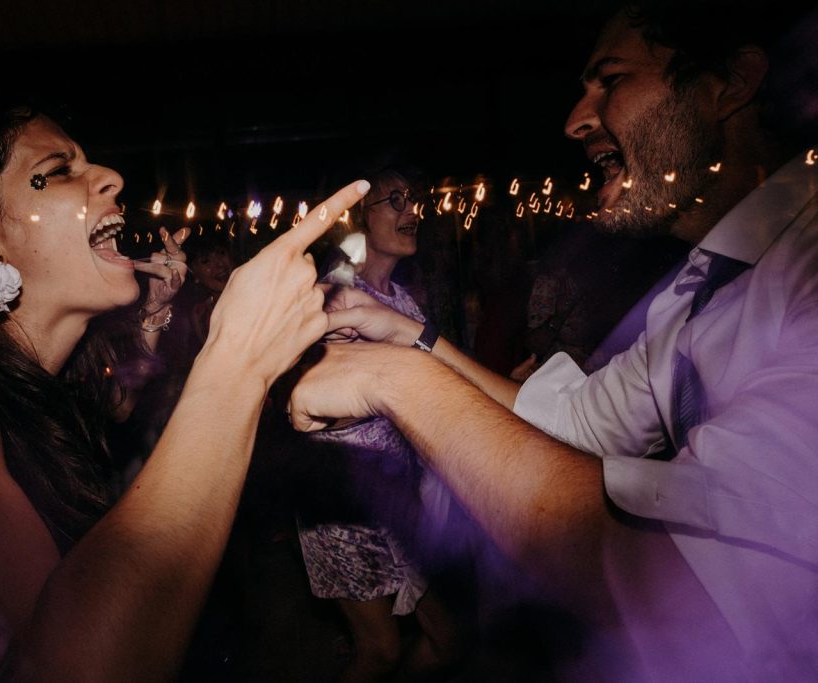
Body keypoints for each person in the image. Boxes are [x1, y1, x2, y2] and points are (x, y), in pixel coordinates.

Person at [289, 2, 818, 678]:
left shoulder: (804, 270)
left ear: (731, 84)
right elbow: (571, 421)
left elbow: (677, 580)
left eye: (611, 79)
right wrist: (412, 338)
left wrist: (396, 377)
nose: (576, 119)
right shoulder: (698, 291)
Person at [0, 103, 371, 680]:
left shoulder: (52, 385)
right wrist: (240, 360)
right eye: (59, 170)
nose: (111, 178)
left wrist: (153, 323)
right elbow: (78, 666)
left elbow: (123, 413)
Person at [296, 167, 460, 681]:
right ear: (359, 217)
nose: (413, 212)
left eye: (415, 200)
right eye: (396, 201)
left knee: (449, 641)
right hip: (344, 499)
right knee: (380, 651)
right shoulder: (334, 295)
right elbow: (307, 403)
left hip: (403, 499)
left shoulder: (404, 300)